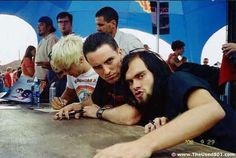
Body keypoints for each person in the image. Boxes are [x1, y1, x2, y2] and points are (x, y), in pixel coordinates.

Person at [93, 50, 236, 158]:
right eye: (130, 82)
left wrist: (144, 144)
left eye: (140, 76)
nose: (135, 85)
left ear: (155, 72)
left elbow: (211, 110)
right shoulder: (153, 102)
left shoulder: (177, 79)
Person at [54, 32, 141, 125]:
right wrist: (77, 106)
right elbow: (94, 100)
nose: (106, 71)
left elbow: (132, 115)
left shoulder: (135, 70)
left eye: (109, 61)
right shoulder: (105, 78)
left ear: (120, 52)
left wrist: (99, 112)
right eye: (97, 67)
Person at [50, 35, 98, 110]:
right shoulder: (71, 73)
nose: (65, 73)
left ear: (81, 59)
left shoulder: (99, 71)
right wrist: (60, 102)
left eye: (68, 69)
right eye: (63, 70)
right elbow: (69, 93)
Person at [34, 16, 58, 81]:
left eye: (41, 25)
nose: (38, 27)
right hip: (40, 80)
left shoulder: (52, 39)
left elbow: (54, 62)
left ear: (49, 27)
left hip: (48, 80)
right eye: (38, 25)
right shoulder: (42, 41)